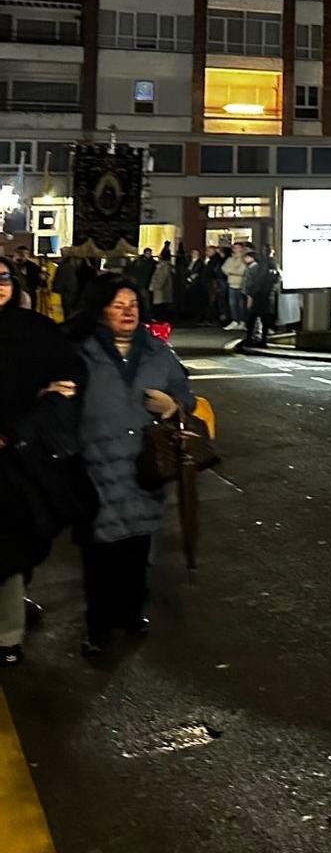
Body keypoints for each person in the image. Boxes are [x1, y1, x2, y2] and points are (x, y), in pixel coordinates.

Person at [69, 273, 194, 655]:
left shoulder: (159, 354)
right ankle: (99, 627)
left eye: (133, 305)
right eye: (118, 305)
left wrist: (174, 405)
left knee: (138, 549)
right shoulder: (78, 351)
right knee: (99, 555)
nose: (128, 312)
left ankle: (131, 612)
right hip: (95, 467)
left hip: (144, 468)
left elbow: (185, 393)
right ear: (100, 308)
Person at [0, 253, 86, 668]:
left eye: (1, 277)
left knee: (18, 540)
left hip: (23, 458)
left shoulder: (34, 330)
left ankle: (8, 633)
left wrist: (34, 415)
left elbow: (70, 378)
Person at [242, 247, 281, 348]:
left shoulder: (260, 266)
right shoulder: (274, 265)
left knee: (252, 318)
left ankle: (250, 338)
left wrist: (250, 296)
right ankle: (263, 340)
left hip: (258, 296)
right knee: (265, 319)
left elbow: (255, 283)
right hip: (268, 295)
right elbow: (276, 279)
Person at [223, 241, 251, 330]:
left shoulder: (245, 259)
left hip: (241, 284)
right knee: (232, 304)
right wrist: (234, 271)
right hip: (231, 284)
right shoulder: (230, 259)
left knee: (241, 304)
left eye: (238, 248)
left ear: (242, 249)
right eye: (234, 248)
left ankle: (243, 322)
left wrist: (232, 271)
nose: (236, 250)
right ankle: (235, 321)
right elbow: (224, 269)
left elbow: (243, 271)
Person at [148, 242, 175, 317]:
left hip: (159, 289)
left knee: (159, 305)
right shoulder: (166, 266)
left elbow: (161, 278)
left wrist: (154, 286)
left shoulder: (163, 266)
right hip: (162, 289)